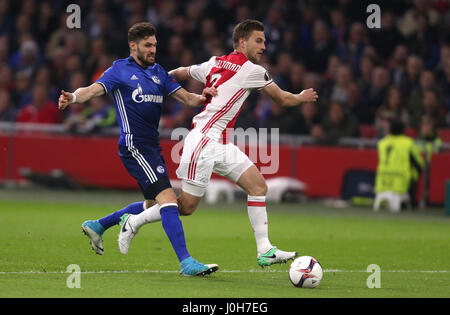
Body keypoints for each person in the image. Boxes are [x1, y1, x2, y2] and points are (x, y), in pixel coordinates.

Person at [118, 20, 318, 268]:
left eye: (264, 41)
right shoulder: (252, 70)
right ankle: (133, 222)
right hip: (203, 140)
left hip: (221, 143)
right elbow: (283, 100)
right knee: (185, 207)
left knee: (258, 187)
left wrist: (155, 80)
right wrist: (302, 97)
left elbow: (180, 72)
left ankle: (265, 249)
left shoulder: (215, 62)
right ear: (242, 42)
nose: (264, 46)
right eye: (259, 40)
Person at [57, 22, 218, 277]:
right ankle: (186, 262)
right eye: (147, 45)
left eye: (154, 44)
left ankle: (98, 225)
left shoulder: (159, 72)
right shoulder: (120, 70)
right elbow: (92, 90)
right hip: (134, 146)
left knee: (152, 204)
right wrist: (73, 98)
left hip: (151, 147)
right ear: (133, 46)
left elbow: (187, 99)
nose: (153, 49)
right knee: (168, 201)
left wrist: (203, 97)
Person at [373, 120, 424, 212]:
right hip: (401, 183)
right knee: (414, 173)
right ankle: (412, 202)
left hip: (381, 182)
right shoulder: (408, 143)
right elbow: (419, 164)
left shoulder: (382, 143)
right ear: (403, 130)